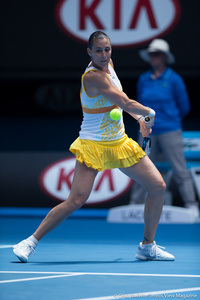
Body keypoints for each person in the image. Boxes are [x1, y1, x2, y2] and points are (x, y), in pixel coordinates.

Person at [13, 31, 175, 262]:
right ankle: (29, 242)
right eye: (98, 50)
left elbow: (121, 99)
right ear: (89, 52)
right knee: (76, 200)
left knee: (158, 186)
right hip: (93, 145)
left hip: (119, 143)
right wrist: (149, 114)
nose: (103, 54)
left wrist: (139, 120)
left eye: (107, 49)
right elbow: (127, 103)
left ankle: (147, 246)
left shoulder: (109, 66)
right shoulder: (92, 77)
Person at [130, 39, 199, 217]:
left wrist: (168, 120)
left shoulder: (174, 79)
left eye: (157, 54)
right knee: (140, 166)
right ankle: (134, 205)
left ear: (165, 57)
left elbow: (184, 106)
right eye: (151, 54)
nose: (153, 57)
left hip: (170, 129)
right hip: (147, 130)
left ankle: (191, 205)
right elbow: (139, 104)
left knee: (180, 169)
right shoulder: (143, 79)